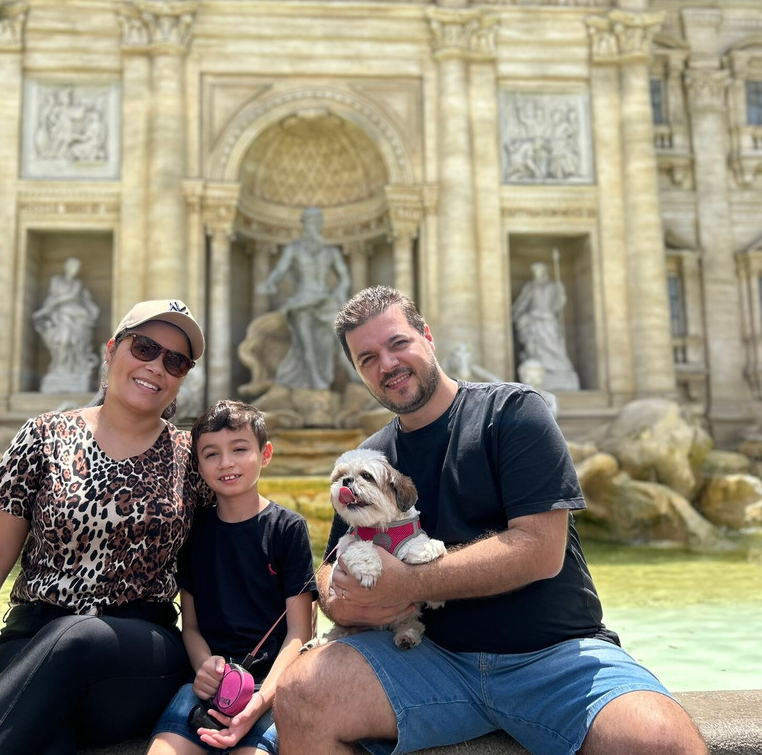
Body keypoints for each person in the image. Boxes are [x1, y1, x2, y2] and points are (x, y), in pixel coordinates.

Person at [273, 286, 708, 755]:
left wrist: (406, 585)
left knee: (662, 742)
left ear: (427, 336)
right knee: (299, 695)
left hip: (553, 655)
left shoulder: (514, 412)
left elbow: (540, 550)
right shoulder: (372, 456)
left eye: (398, 343)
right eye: (367, 358)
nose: (387, 364)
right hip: (425, 659)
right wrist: (343, 602)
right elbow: (332, 565)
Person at [0, 299, 210, 755]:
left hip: (137, 656)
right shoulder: (43, 436)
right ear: (111, 350)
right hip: (29, 644)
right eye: (145, 348)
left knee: (79, 635)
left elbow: (222, 564)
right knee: (49, 737)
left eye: (175, 360)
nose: (157, 366)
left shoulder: (193, 457)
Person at [147, 400, 317, 755]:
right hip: (206, 685)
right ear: (198, 463)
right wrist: (203, 665)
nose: (226, 463)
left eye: (239, 449)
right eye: (211, 454)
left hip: (270, 685)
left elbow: (301, 631)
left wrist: (262, 700)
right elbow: (190, 625)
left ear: (264, 453)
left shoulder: (288, 529)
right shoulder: (193, 531)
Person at [255, 206, 350, 391]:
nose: (313, 226)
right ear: (304, 225)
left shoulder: (331, 252)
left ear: (320, 225)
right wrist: (269, 283)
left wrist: (340, 292)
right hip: (301, 301)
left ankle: (350, 376)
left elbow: (344, 277)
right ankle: (316, 384)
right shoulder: (294, 249)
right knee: (305, 345)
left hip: (325, 301)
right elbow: (281, 270)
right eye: (309, 222)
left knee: (337, 340)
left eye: (317, 222)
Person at [32, 256, 101, 391]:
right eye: (72, 266)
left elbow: (71, 296)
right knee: (61, 342)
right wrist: (47, 310)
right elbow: (51, 296)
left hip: (75, 315)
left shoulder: (77, 284)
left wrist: (51, 305)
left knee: (73, 343)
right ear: (66, 267)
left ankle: (73, 370)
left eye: (77, 268)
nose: (74, 270)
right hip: (59, 316)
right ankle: (59, 369)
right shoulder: (56, 280)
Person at [512, 260, 580, 391]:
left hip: (548, 320)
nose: (537, 274)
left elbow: (557, 306)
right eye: (535, 271)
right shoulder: (530, 287)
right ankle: (539, 372)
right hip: (534, 321)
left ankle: (558, 370)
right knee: (537, 350)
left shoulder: (554, 286)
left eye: (539, 271)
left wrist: (561, 294)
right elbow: (522, 303)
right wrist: (517, 315)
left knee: (554, 346)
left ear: (544, 272)